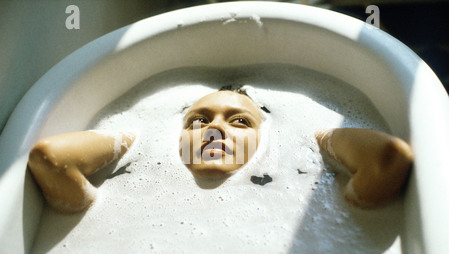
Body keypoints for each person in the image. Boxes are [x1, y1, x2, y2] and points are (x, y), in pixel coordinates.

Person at [27, 87, 414, 214]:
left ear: (266, 138)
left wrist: (311, 137)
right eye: (198, 120)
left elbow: (387, 160)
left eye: (240, 122)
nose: (214, 128)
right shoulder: (138, 182)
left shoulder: (297, 177)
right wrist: (137, 138)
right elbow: (50, 159)